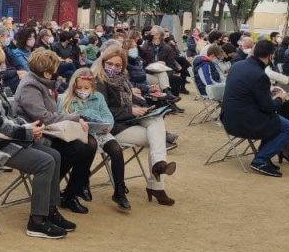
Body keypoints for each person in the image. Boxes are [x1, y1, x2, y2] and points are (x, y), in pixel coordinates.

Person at [0, 43, 75, 238]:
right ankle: (37, 221)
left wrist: (28, 127)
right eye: (1, 63)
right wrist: (27, 132)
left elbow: (8, 117)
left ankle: (51, 210)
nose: (5, 67)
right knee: (45, 162)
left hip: (2, 140)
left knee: (54, 155)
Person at [14, 49, 98, 213]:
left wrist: (72, 118)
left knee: (89, 144)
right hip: (34, 134)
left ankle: (70, 193)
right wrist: (73, 118)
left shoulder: (40, 83)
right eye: (54, 70)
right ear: (46, 73)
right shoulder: (30, 86)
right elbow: (42, 117)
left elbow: (49, 115)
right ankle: (55, 192)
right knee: (79, 148)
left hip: (48, 130)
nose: (56, 73)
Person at [92, 45, 178, 204]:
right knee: (157, 139)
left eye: (118, 65)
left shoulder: (122, 77)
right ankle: (157, 185)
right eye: (110, 63)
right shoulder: (98, 81)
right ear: (103, 62)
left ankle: (159, 167)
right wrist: (130, 111)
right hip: (114, 126)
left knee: (156, 119)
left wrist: (145, 103)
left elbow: (129, 97)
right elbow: (102, 112)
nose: (113, 68)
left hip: (129, 118)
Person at [220, 40, 289, 177]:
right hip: (243, 121)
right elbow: (268, 107)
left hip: (228, 116)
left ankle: (264, 157)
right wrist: (281, 98)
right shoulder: (260, 75)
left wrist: (269, 91)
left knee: (276, 121)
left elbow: (245, 90)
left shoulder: (237, 65)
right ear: (270, 56)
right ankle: (260, 160)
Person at [59, 68, 131, 210]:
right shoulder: (66, 98)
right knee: (88, 146)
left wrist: (107, 126)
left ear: (92, 87)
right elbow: (63, 116)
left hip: (98, 131)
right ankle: (81, 184)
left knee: (116, 149)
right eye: (79, 87)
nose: (83, 90)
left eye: (86, 87)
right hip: (80, 132)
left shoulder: (98, 97)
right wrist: (85, 116)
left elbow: (107, 115)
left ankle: (120, 191)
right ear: (73, 86)